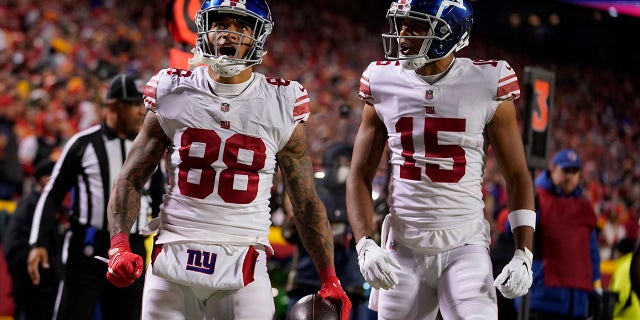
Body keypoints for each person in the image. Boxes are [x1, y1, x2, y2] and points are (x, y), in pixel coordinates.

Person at [103, 1, 352, 319]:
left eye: (241, 26)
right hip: (172, 259)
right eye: (220, 23)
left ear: (258, 36)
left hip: (243, 260)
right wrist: (119, 243)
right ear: (204, 29)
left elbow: (304, 202)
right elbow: (130, 177)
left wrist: (329, 277)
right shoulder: (172, 91)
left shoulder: (281, 102)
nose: (228, 33)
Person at [345, 0, 536, 319]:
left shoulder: (487, 82)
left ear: (450, 32)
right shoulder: (381, 80)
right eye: (402, 24)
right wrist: (365, 243)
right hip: (403, 247)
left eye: (416, 26)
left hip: (465, 244)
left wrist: (524, 252)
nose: (403, 34)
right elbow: (359, 175)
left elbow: (517, 175)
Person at [27, 73, 166, 320]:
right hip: (86, 249)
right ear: (113, 105)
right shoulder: (82, 143)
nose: (140, 112)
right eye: (134, 104)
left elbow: (160, 203)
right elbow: (52, 194)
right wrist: (38, 242)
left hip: (132, 250)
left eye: (144, 105)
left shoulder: (149, 149)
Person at [284, 142, 375, 320]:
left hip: (350, 281)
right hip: (308, 277)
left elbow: (373, 238)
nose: (341, 167)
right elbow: (289, 232)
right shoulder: (311, 192)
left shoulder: (361, 196)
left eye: (346, 163)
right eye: (337, 162)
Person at [519, 149, 602, 320]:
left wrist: (595, 286)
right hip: (542, 298)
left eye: (574, 171)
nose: (569, 176)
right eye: (565, 171)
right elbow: (511, 233)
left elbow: (591, 251)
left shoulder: (584, 207)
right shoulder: (537, 198)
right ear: (553, 170)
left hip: (576, 302)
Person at [4, 159, 61, 320]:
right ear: (45, 179)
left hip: (44, 287)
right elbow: (13, 247)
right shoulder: (31, 205)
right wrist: (45, 272)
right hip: (34, 288)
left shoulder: (46, 206)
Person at [609, 237, 639, 320]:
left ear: (620, 252)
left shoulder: (624, 267)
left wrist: (611, 313)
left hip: (626, 315)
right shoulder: (635, 263)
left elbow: (620, 294)